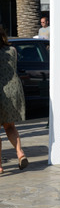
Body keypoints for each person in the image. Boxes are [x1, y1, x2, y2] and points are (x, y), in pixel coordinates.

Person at [0, 27, 29, 173]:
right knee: (10, 126)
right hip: (14, 91)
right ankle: (20, 153)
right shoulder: (12, 51)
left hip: (1, 91)